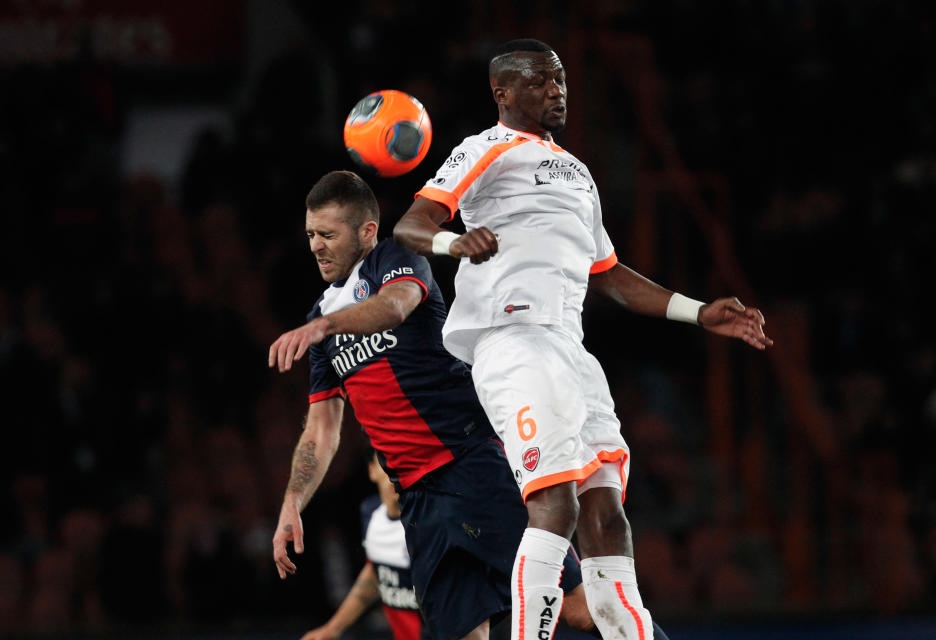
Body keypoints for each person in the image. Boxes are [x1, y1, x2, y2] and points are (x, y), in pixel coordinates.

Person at [392, 39, 773, 640]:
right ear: (503, 92)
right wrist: (454, 243)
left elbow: (612, 277)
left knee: (605, 509)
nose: (557, 90)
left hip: (571, 349)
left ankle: (629, 631)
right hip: (512, 338)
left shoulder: (579, 172)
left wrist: (699, 313)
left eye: (561, 80)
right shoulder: (484, 149)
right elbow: (412, 224)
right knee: (557, 502)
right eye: (541, 80)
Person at [268, 170, 595, 640]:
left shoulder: (397, 258)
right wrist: (293, 502)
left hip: (471, 468)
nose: (316, 245)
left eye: (327, 234)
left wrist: (325, 327)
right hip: (417, 502)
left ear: (365, 231)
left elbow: (398, 305)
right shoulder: (322, 319)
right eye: (310, 235)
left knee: (579, 608)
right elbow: (322, 428)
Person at [300, 451, 425, 640]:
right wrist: (333, 628)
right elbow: (377, 571)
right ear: (371, 470)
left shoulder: (431, 521)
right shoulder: (370, 513)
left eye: (401, 463)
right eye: (385, 462)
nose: (394, 473)